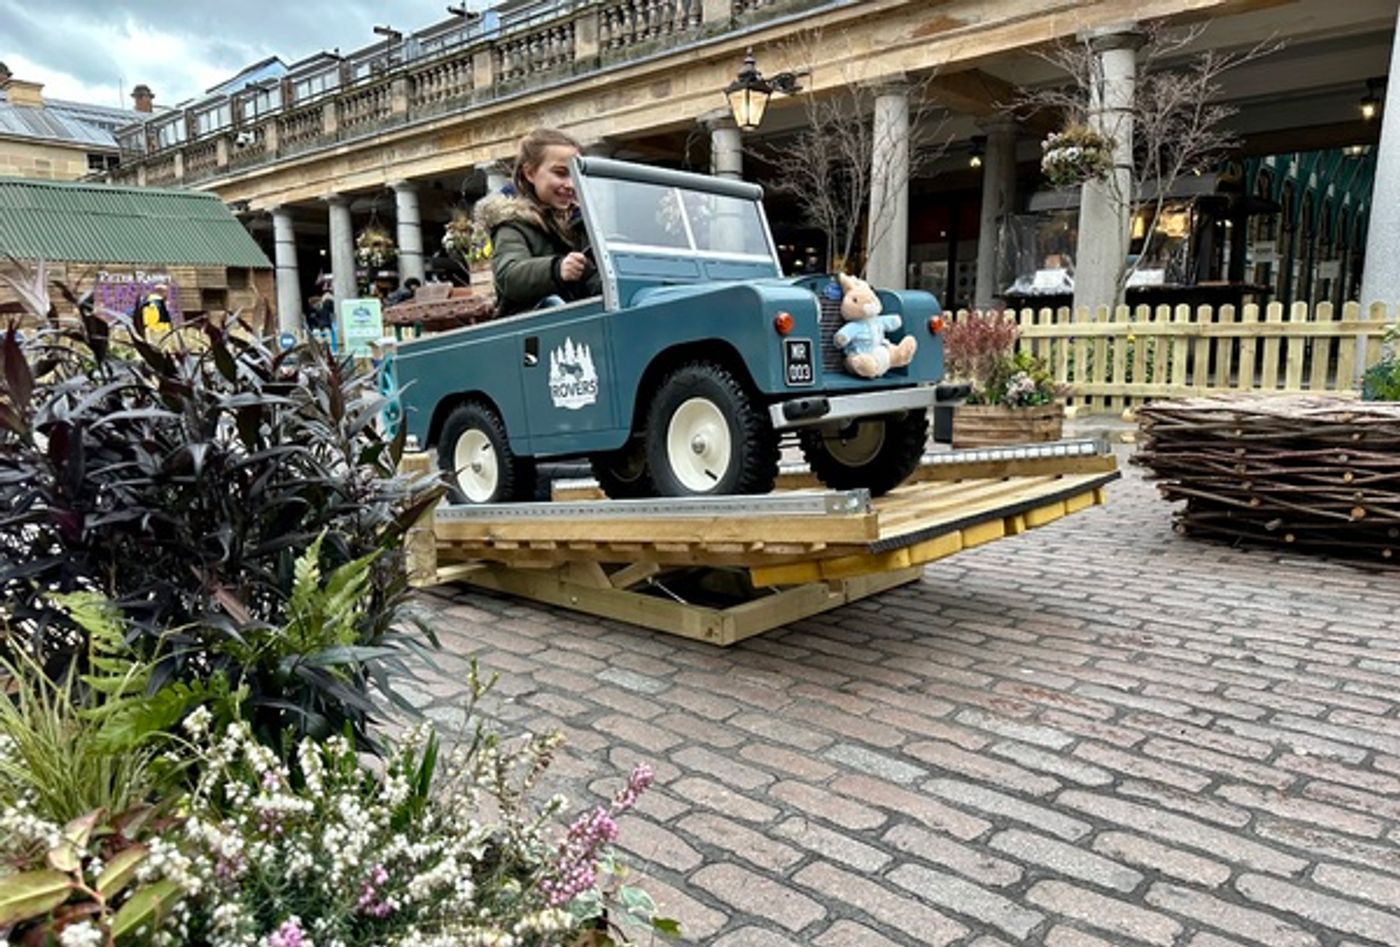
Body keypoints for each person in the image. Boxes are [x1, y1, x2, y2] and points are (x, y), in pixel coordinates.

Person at [474, 128, 601, 316]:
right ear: (530, 173)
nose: (570, 184)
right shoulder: (512, 224)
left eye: (576, 175)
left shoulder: (582, 223)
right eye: (560, 173)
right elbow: (509, 276)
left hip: (583, 318)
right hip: (535, 323)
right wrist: (556, 269)